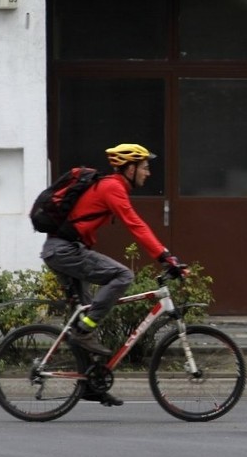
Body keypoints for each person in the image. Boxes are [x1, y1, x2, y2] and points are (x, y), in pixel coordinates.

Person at [40, 143, 186, 406]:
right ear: (129, 168)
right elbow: (136, 225)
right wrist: (166, 257)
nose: (148, 173)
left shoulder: (110, 186)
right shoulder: (113, 187)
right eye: (144, 167)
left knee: (83, 316)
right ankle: (85, 330)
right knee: (122, 276)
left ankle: (89, 384)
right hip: (65, 251)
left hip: (62, 250)